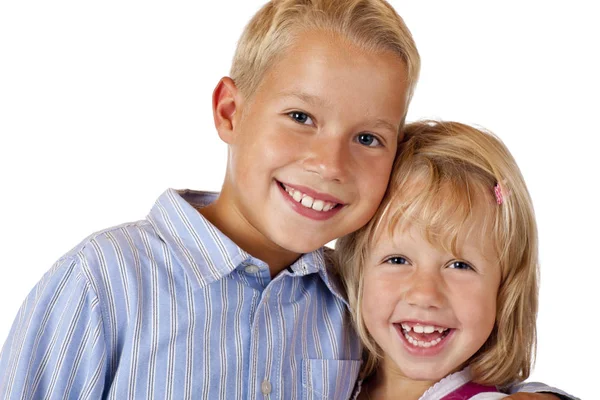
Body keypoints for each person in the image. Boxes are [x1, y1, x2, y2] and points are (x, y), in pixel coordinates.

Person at [0, 1, 573, 399]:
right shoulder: (106, 280)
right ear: (230, 111)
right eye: (301, 117)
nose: (329, 164)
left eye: (368, 138)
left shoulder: (355, 301)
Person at [335, 120, 577, 399]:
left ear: (505, 288)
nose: (425, 295)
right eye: (398, 260)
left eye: (460, 265)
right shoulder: (330, 378)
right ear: (357, 268)